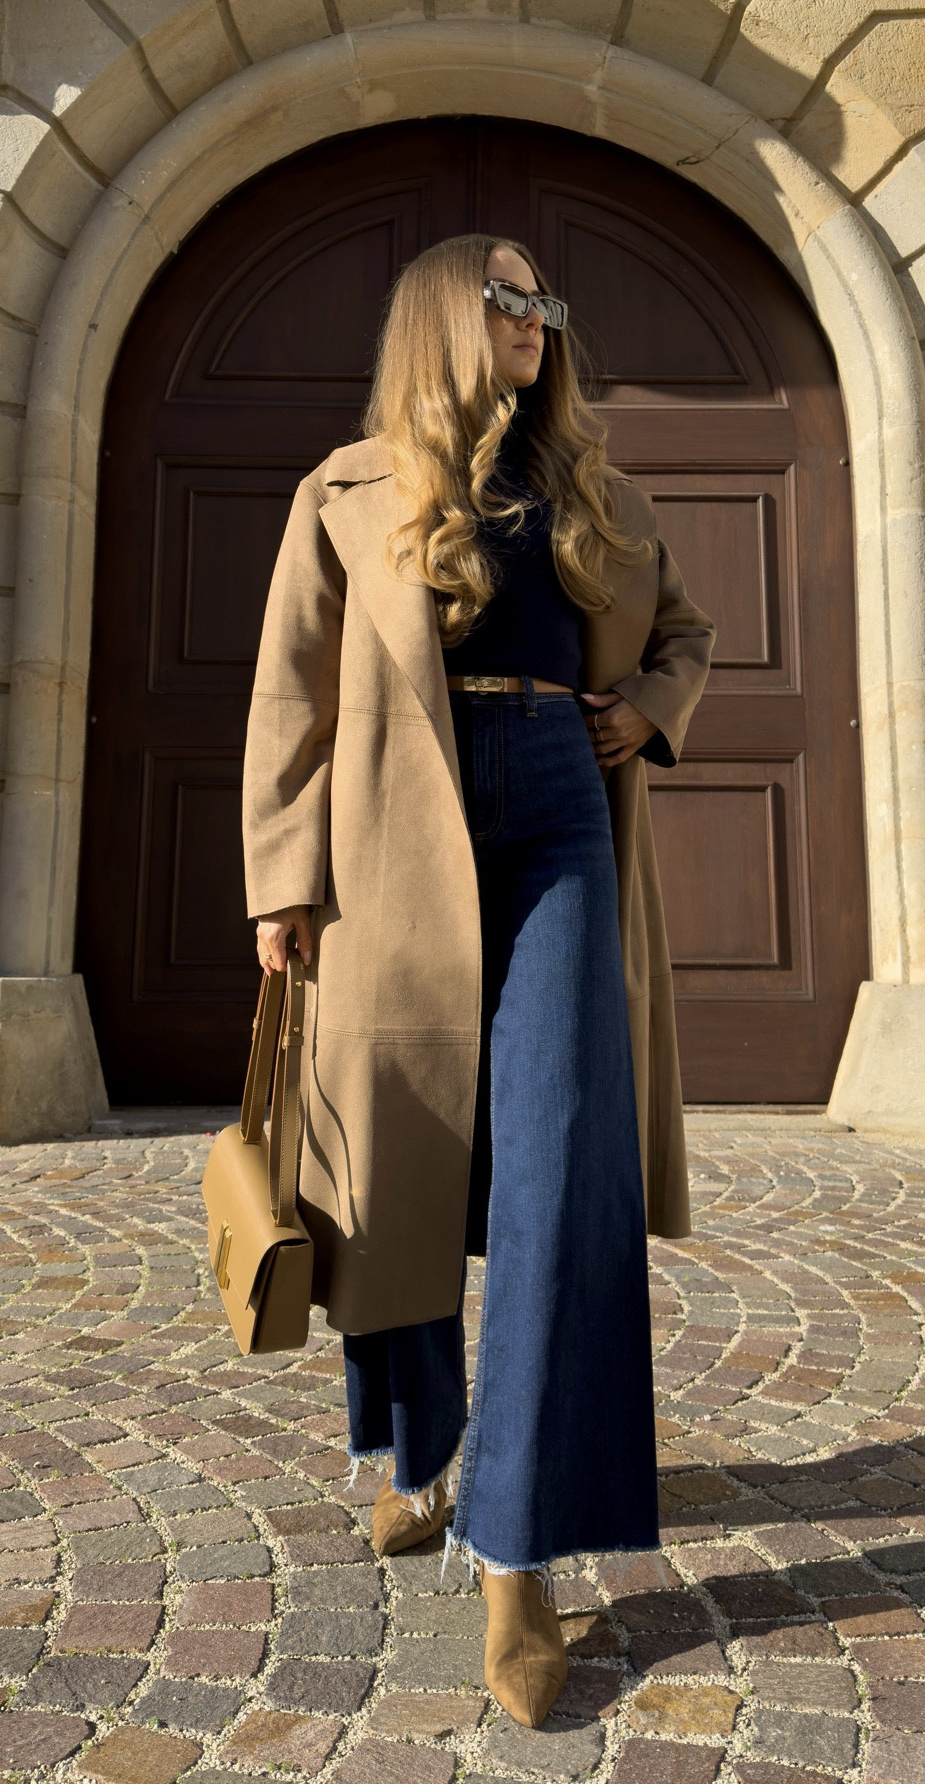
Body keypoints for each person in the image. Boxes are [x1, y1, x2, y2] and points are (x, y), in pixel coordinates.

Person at [243, 232, 714, 1727]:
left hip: (560, 801)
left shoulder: (593, 486)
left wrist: (644, 708)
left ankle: (516, 1553)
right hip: (397, 823)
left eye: (543, 299)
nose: (533, 318)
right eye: (506, 298)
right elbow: (293, 695)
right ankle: (413, 1449)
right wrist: (282, 884)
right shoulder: (347, 490)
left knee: (559, 1157)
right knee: (398, 1157)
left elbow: (687, 629)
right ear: (448, 317)